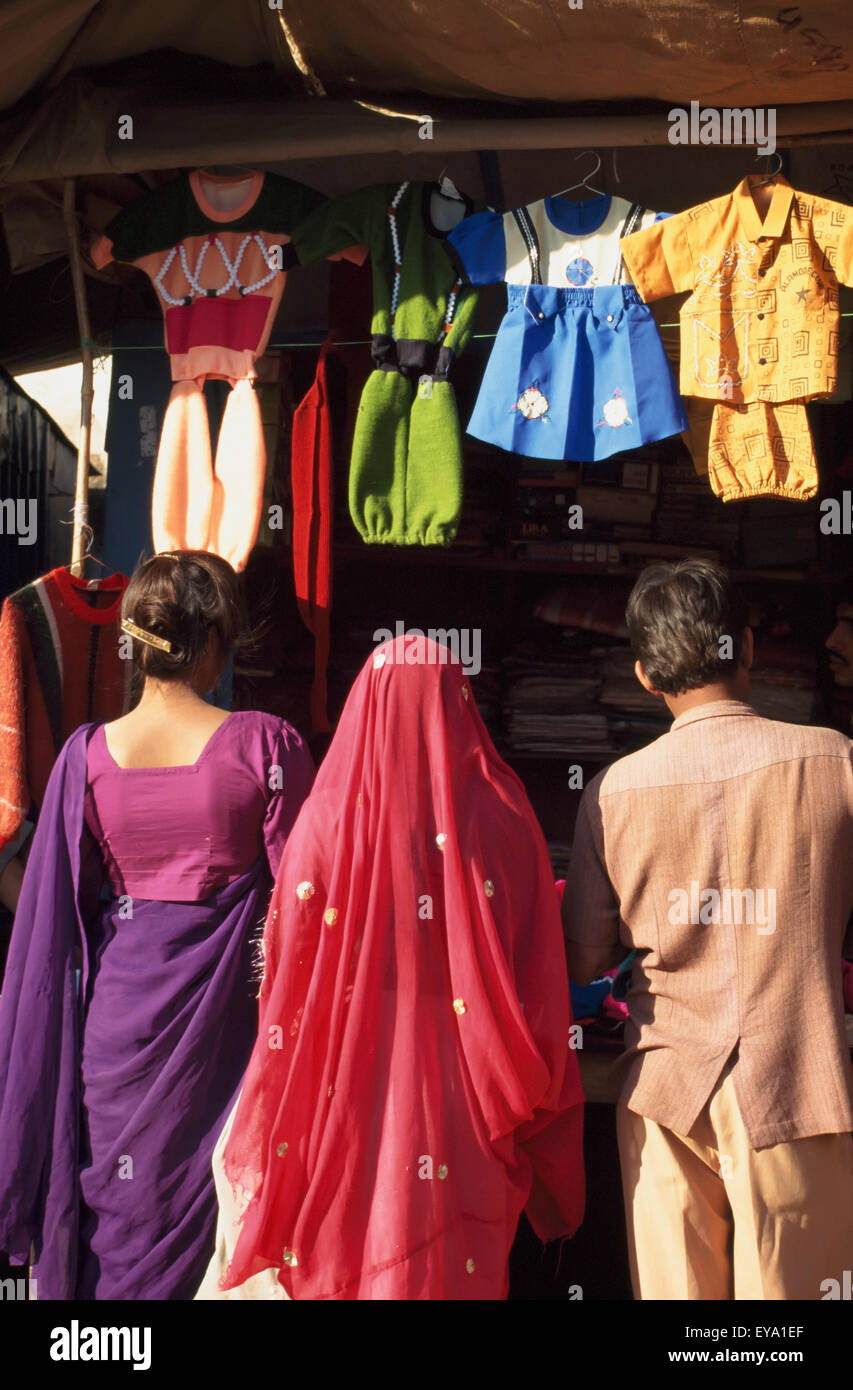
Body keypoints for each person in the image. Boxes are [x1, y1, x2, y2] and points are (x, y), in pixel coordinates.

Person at [199, 633, 585, 1300]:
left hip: (341, 1074)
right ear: (460, 704)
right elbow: (540, 976)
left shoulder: (326, 821)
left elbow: (287, 979)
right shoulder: (504, 815)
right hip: (467, 1084)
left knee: (350, 1235)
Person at [0, 551, 314, 1300]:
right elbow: (313, 905)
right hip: (224, 1039)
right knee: (211, 1220)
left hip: (112, 1032)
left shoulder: (86, 756)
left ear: (137, 644)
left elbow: (46, 911)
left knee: (117, 1207)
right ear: (212, 644)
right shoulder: (265, 747)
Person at [563, 558, 853, 1301]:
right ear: (747, 648)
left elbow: (586, 955)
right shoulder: (834, 762)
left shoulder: (612, 792)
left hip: (665, 1085)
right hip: (800, 1078)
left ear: (644, 676)